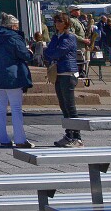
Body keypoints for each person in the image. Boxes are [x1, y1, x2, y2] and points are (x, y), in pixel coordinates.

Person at [0, 14, 34, 148]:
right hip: (12, 76)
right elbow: (24, 55)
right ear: (12, 26)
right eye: (17, 26)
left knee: (0, 107)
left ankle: (3, 138)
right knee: (16, 108)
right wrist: (30, 52)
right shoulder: (14, 37)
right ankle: (20, 139)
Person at [43, 12, 83, 148]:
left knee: (70, 106)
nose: (57, 24)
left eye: (60, 21)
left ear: (66, 23)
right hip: (58, 73)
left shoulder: (69, 37)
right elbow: (48, 51)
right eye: (56, 22)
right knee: (63, 106)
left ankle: (77, 137)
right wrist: (50, 52)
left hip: (68, 72)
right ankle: (69, 134)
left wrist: (51, 53)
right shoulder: (56, 36)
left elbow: (58, 52)